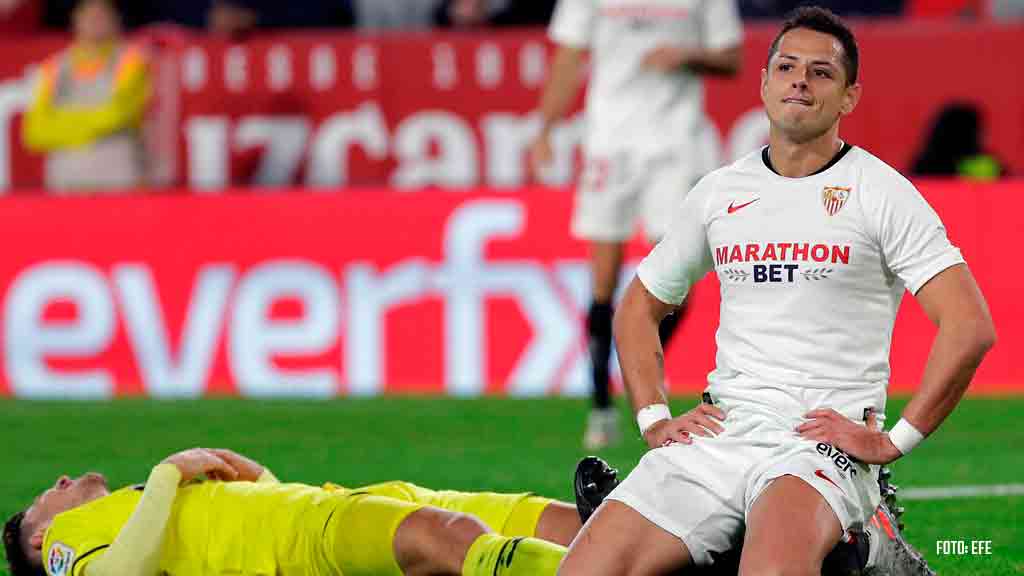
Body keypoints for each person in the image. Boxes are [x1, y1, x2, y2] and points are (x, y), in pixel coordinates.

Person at [558, 6, 995, 576]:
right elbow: (637, 306)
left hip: (820, 443)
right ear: (764, 84)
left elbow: (969, 327)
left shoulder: (881, 192)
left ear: (848, 98)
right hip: (721, 432)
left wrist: (893, 441)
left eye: (821, 72)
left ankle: (862, 531)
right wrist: (654, 419)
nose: (799, 81)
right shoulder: (718, 193)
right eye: (786, 67)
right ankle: (855, 557)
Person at [528, 0, 744, 450]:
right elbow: (569, 55)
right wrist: (545, 128)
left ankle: (636, 361)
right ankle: (601, 403)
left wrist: (688, 56)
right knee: (602, 284)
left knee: (677, 279)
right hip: (609, 142)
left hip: (675, 144)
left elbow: (731, 58)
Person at [3, 447, 573, 576]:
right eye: (39, 503)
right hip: (308, 535)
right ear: (42, 540)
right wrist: (168, 473)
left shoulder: (134, 515)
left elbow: (242, 523)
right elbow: (122, 574)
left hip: (330, 501)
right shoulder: (71, 541)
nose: (56, 483)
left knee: (541, 518)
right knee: (446, 535)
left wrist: (260, 479)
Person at [22, 0, 150, 193]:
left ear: (116, 20)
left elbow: (119, 113)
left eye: (102, 14)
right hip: (66, 183)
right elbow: (35, 131)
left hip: (120, 181)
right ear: (75, 19)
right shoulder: (52, 68)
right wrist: (93, 127)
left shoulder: (133, 62)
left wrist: (61, 124)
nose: (95, 21)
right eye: (89, 14)